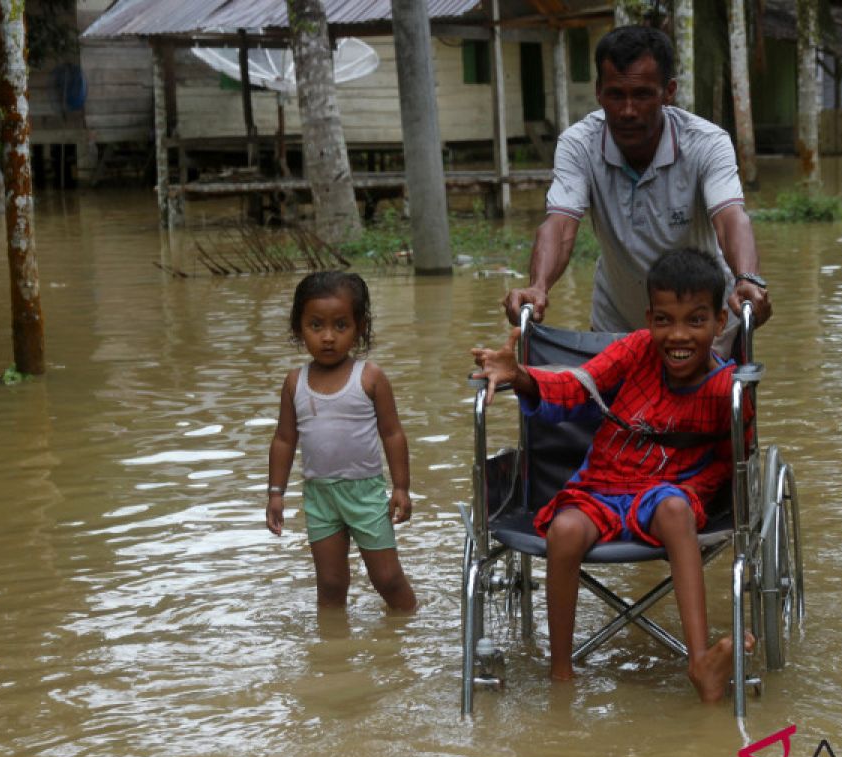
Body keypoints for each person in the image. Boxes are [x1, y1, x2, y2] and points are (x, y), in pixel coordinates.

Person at [474, 249, 754, 702]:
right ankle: (560, 675)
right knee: (564, 529)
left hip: (672, 491)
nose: (678, 335)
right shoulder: (636, 349)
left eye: (695, 321)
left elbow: (735, 458)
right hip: (603, 484)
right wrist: (522, 376)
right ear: (649, 319)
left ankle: (700, 661)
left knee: (675, 508)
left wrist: (706, 492)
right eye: (665, 321)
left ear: (720, 323)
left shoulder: (728, 387)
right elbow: (575, 386)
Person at [503, 25, 771, 354]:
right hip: (617, 325)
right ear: (599, 92)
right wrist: (538, 286)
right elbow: (559, 225)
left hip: (702, 330)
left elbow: (731, 218)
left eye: (642, 95)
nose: (628, 111)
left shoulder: (706, 142)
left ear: (668, 92)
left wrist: (748, 278)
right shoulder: (579, 144)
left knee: (720, 402)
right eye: (616, 95)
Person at [266, 271, 416, 612]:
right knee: (331, 585)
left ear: (359, 327)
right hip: (320, 496)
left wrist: (401, 487)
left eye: (340, 325)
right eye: (316, 326)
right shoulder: (294, 383)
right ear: (298, 328)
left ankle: (408, 635)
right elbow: (284, 440)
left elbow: (392, 434)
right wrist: (276, 493)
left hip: (365, 493)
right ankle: (332, 656)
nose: (328, 337)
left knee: (388, 579)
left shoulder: (370, 378)